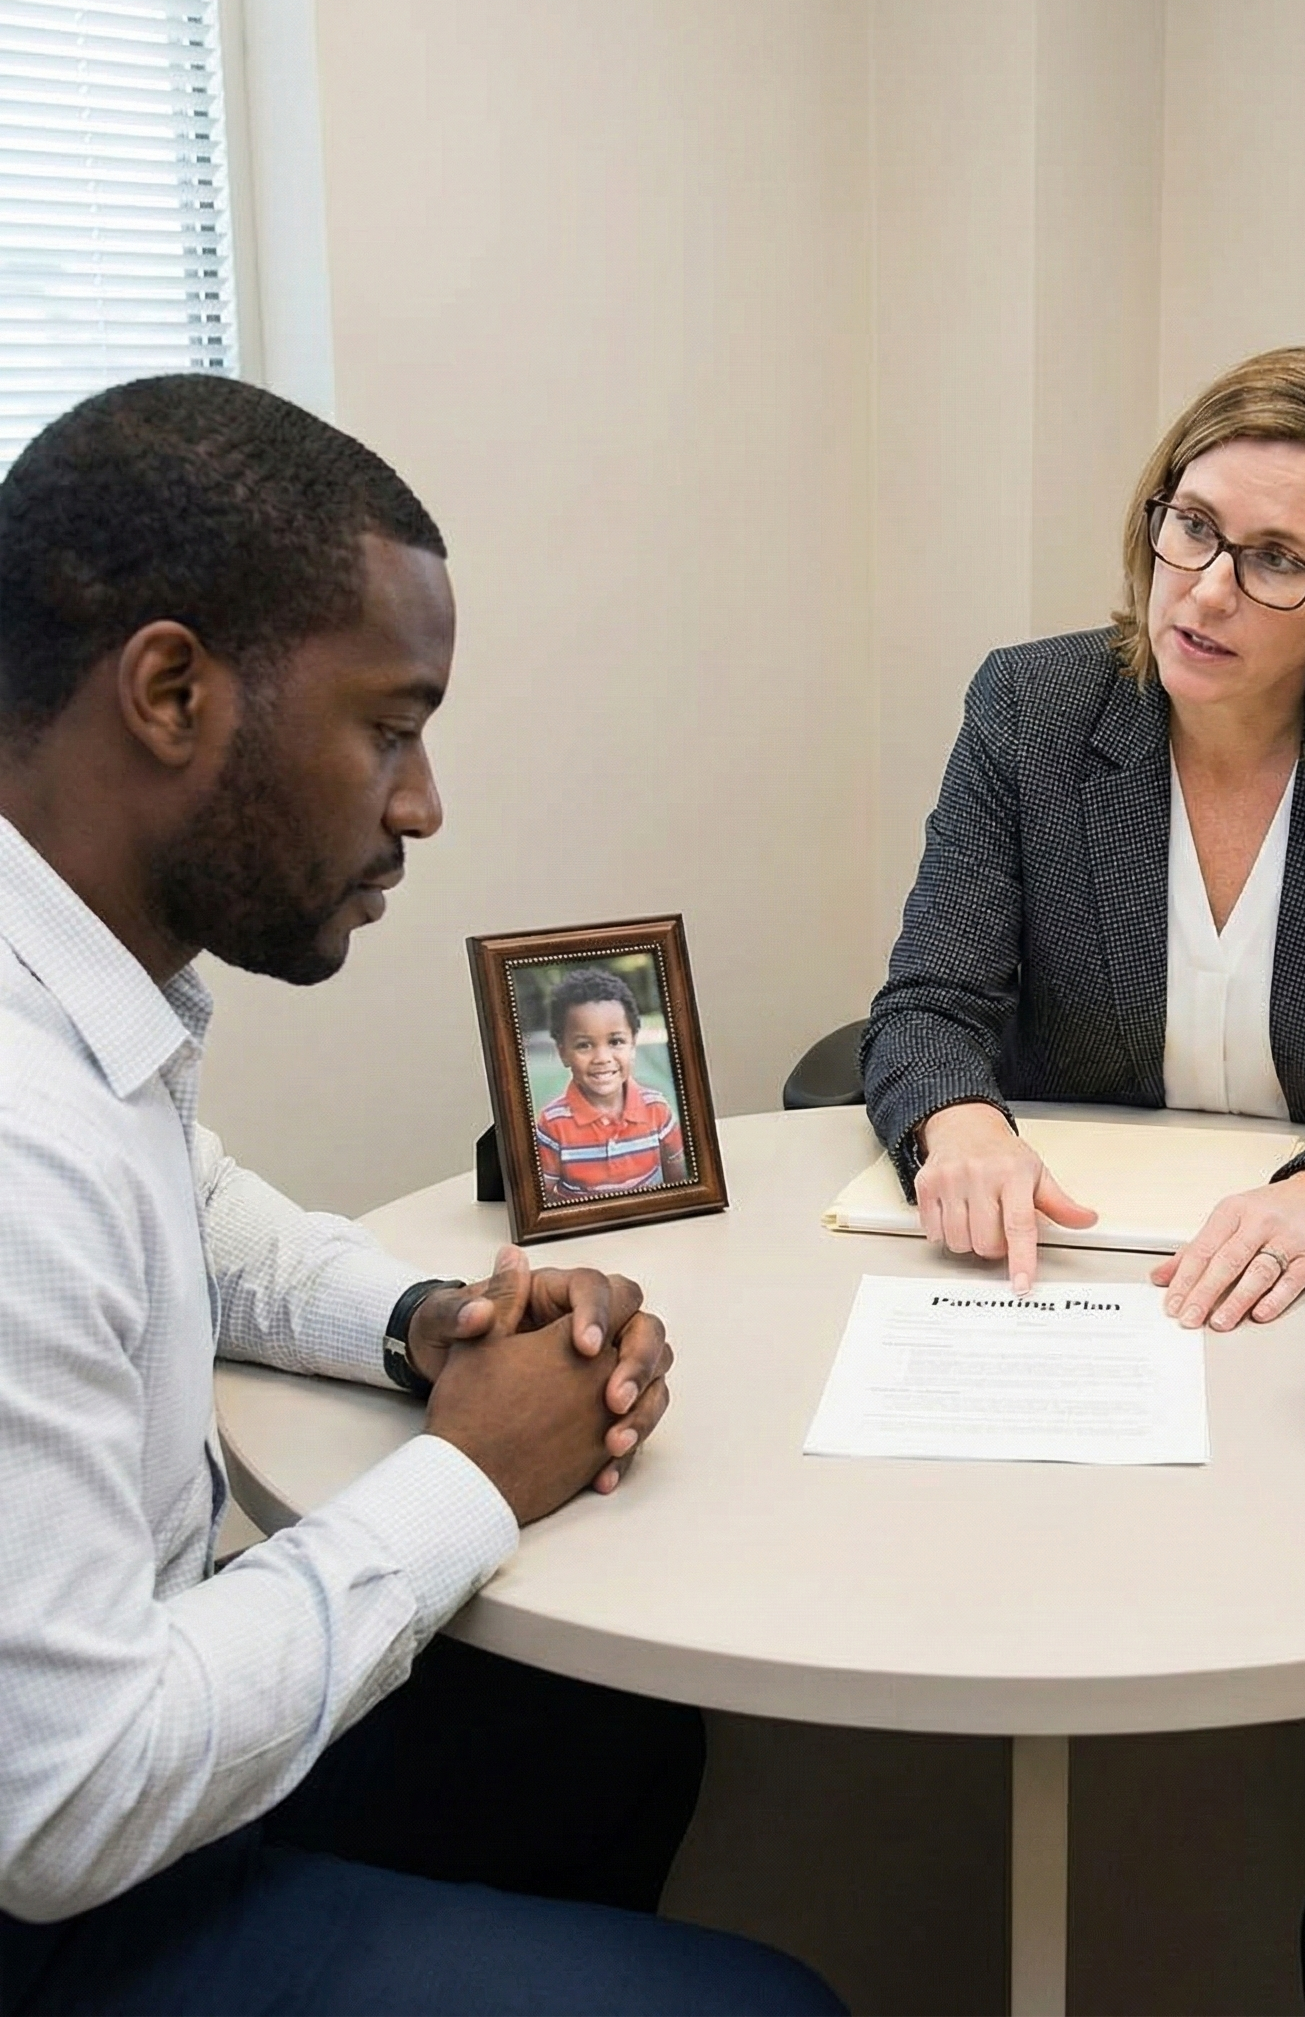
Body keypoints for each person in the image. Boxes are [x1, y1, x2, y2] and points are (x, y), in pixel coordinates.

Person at [0, 377, 838, 2015]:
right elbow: (68, 1799)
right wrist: (474, 1471)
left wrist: (424, 1321)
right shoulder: (16, 1131)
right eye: (389, 726)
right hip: (53, 1897)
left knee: (602, 1724)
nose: (421, 802)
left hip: (99, 1753)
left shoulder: (72, 986)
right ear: (169, 690)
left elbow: (189, 1210)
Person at [863, 346, 1305, 1330]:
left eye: (1276, 559)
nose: (1209, 591)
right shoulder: (1030, 709)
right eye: (1195, 527)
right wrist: (960, 1125)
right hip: (1065, 1257)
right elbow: (929, 1006)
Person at [535, 965, 692, 1202]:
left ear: (633, 1044)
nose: (602, 1058)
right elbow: (543, 1195)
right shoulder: (552, 1124)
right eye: (584, 1045)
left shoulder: (657, 1108)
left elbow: (678, 1178)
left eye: (616, 1041)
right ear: (563, 1053)